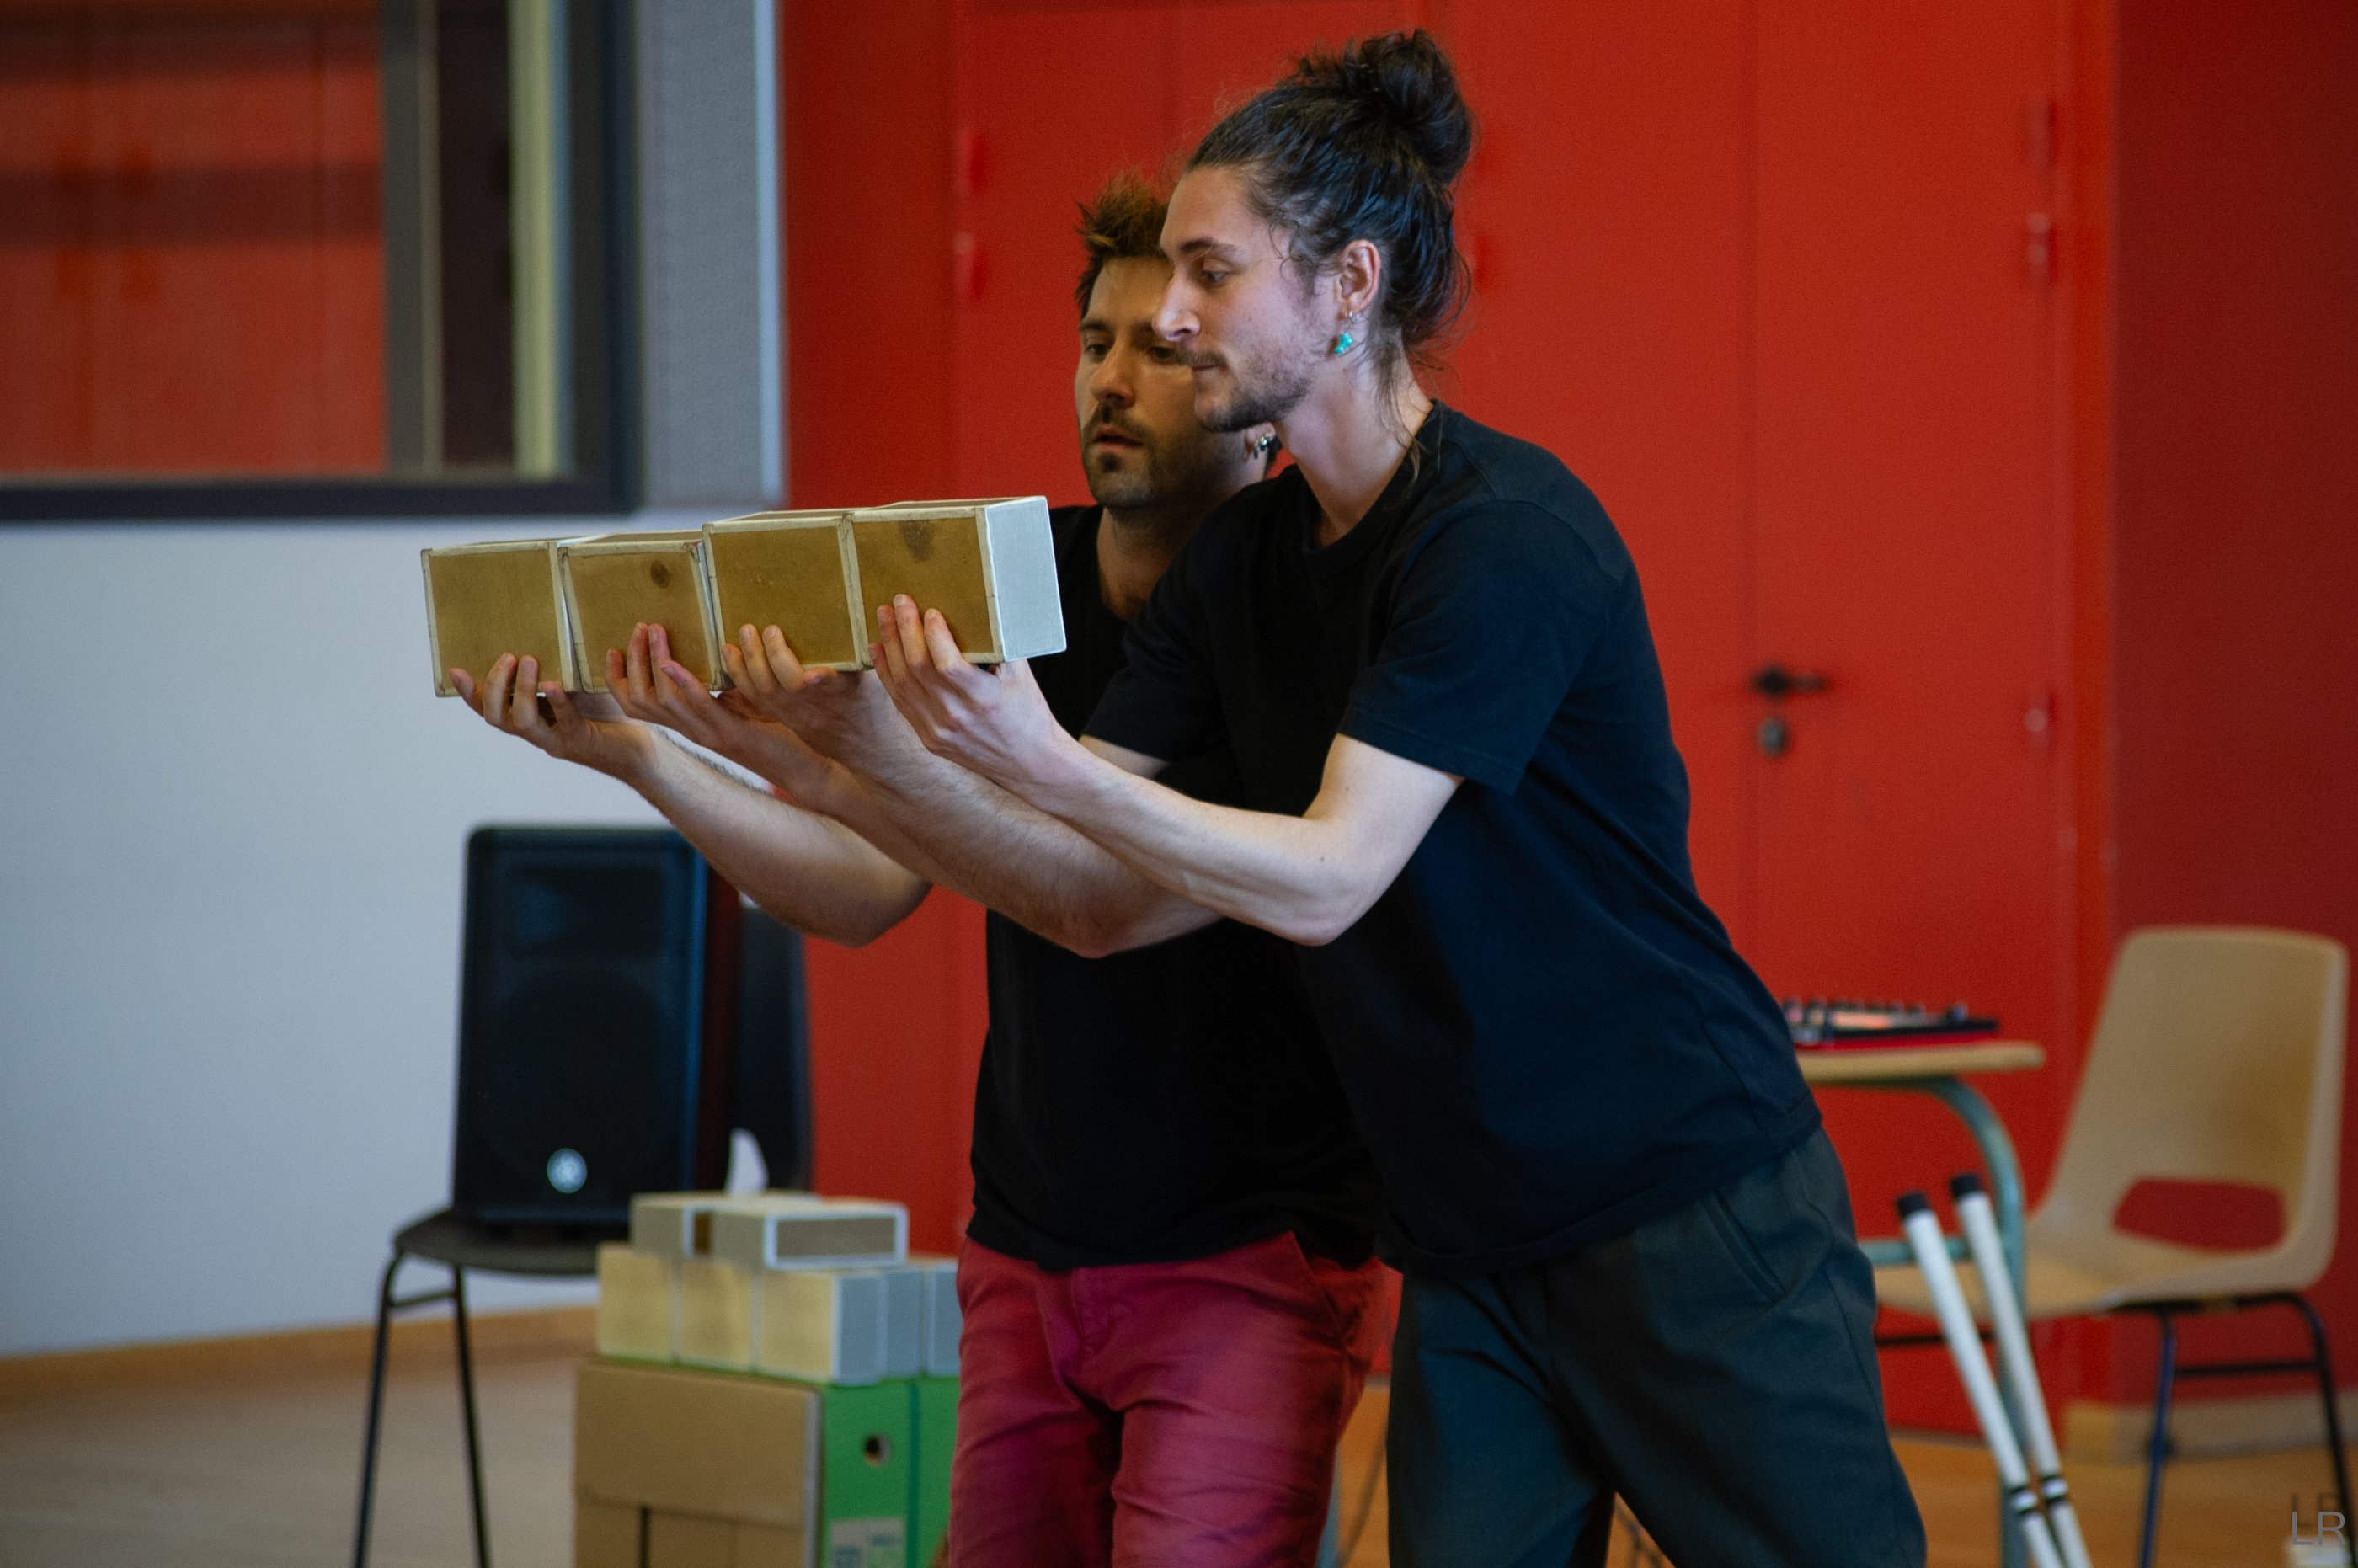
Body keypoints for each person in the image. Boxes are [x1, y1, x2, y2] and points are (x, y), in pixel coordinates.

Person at [867, 33, 1927, 1568]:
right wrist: (837, 742)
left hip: (1682, 1206)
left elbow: (1327, 874)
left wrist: (1037, 761)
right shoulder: (1240, 566)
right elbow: (1088, 890)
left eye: (1212, 273)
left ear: (1349, 289)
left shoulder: (1502, 537)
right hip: (1469, 1245)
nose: (1171, 314)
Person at [451, 175, 1386, 1567]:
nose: (1112, 380)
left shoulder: (1302, 610)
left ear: (1259, 401)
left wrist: (856, 749)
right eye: (1095, 342)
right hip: (1027, 1243)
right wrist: (644, 757)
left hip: (1247, 1255)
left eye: (1161, 349)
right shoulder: (1012, 583)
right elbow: (861, 884)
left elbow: (1089, 904)